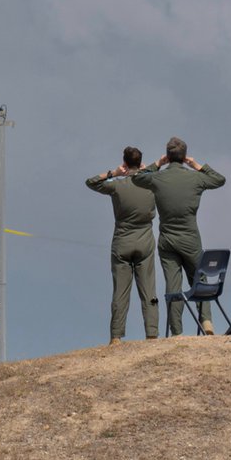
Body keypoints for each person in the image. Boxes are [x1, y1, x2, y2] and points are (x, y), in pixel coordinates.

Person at [133, 137, 226, 336]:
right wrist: (196, 165)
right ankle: (206, 321)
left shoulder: (157, 178)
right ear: (184, 157)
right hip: (191, 238)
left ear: (168, 156)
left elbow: (137, 177)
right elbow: (220, 179)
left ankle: (177, 331)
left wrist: (157, 164)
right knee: (199, 278)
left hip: (167, 238)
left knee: (173, 285)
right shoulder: (195, 178)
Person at [86, 146, 159, 345]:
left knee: (120, 292)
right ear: (140, 162)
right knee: (149, 290)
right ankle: (152, 334)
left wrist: (113, 173)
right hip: (145, 240)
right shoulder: (152, 184)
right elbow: (162, 175)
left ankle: (116, 336)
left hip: (122, 241)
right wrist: (147, 171)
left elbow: (91, 182)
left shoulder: (117, 185)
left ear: (125, 163)